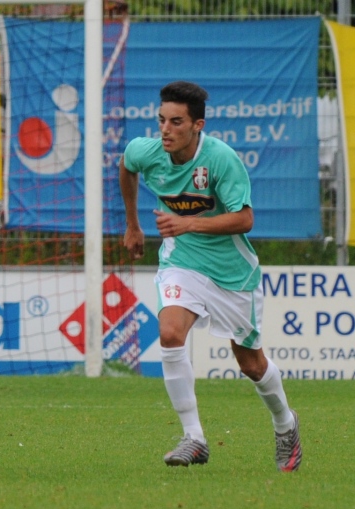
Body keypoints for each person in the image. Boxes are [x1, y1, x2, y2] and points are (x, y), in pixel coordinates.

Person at [119, 81, 301, 472]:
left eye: (177, 122)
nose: (166, 130)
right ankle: (194, 438)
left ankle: (286, 424)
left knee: (251, 364)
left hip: (232, 274)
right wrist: (133, 225)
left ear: (198, 124)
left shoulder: (221, 160)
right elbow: (127, 166)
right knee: (169, 332)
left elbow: (245, 219)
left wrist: (188, 223)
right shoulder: (146, 151)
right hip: (182, 262)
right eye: (161, 120)